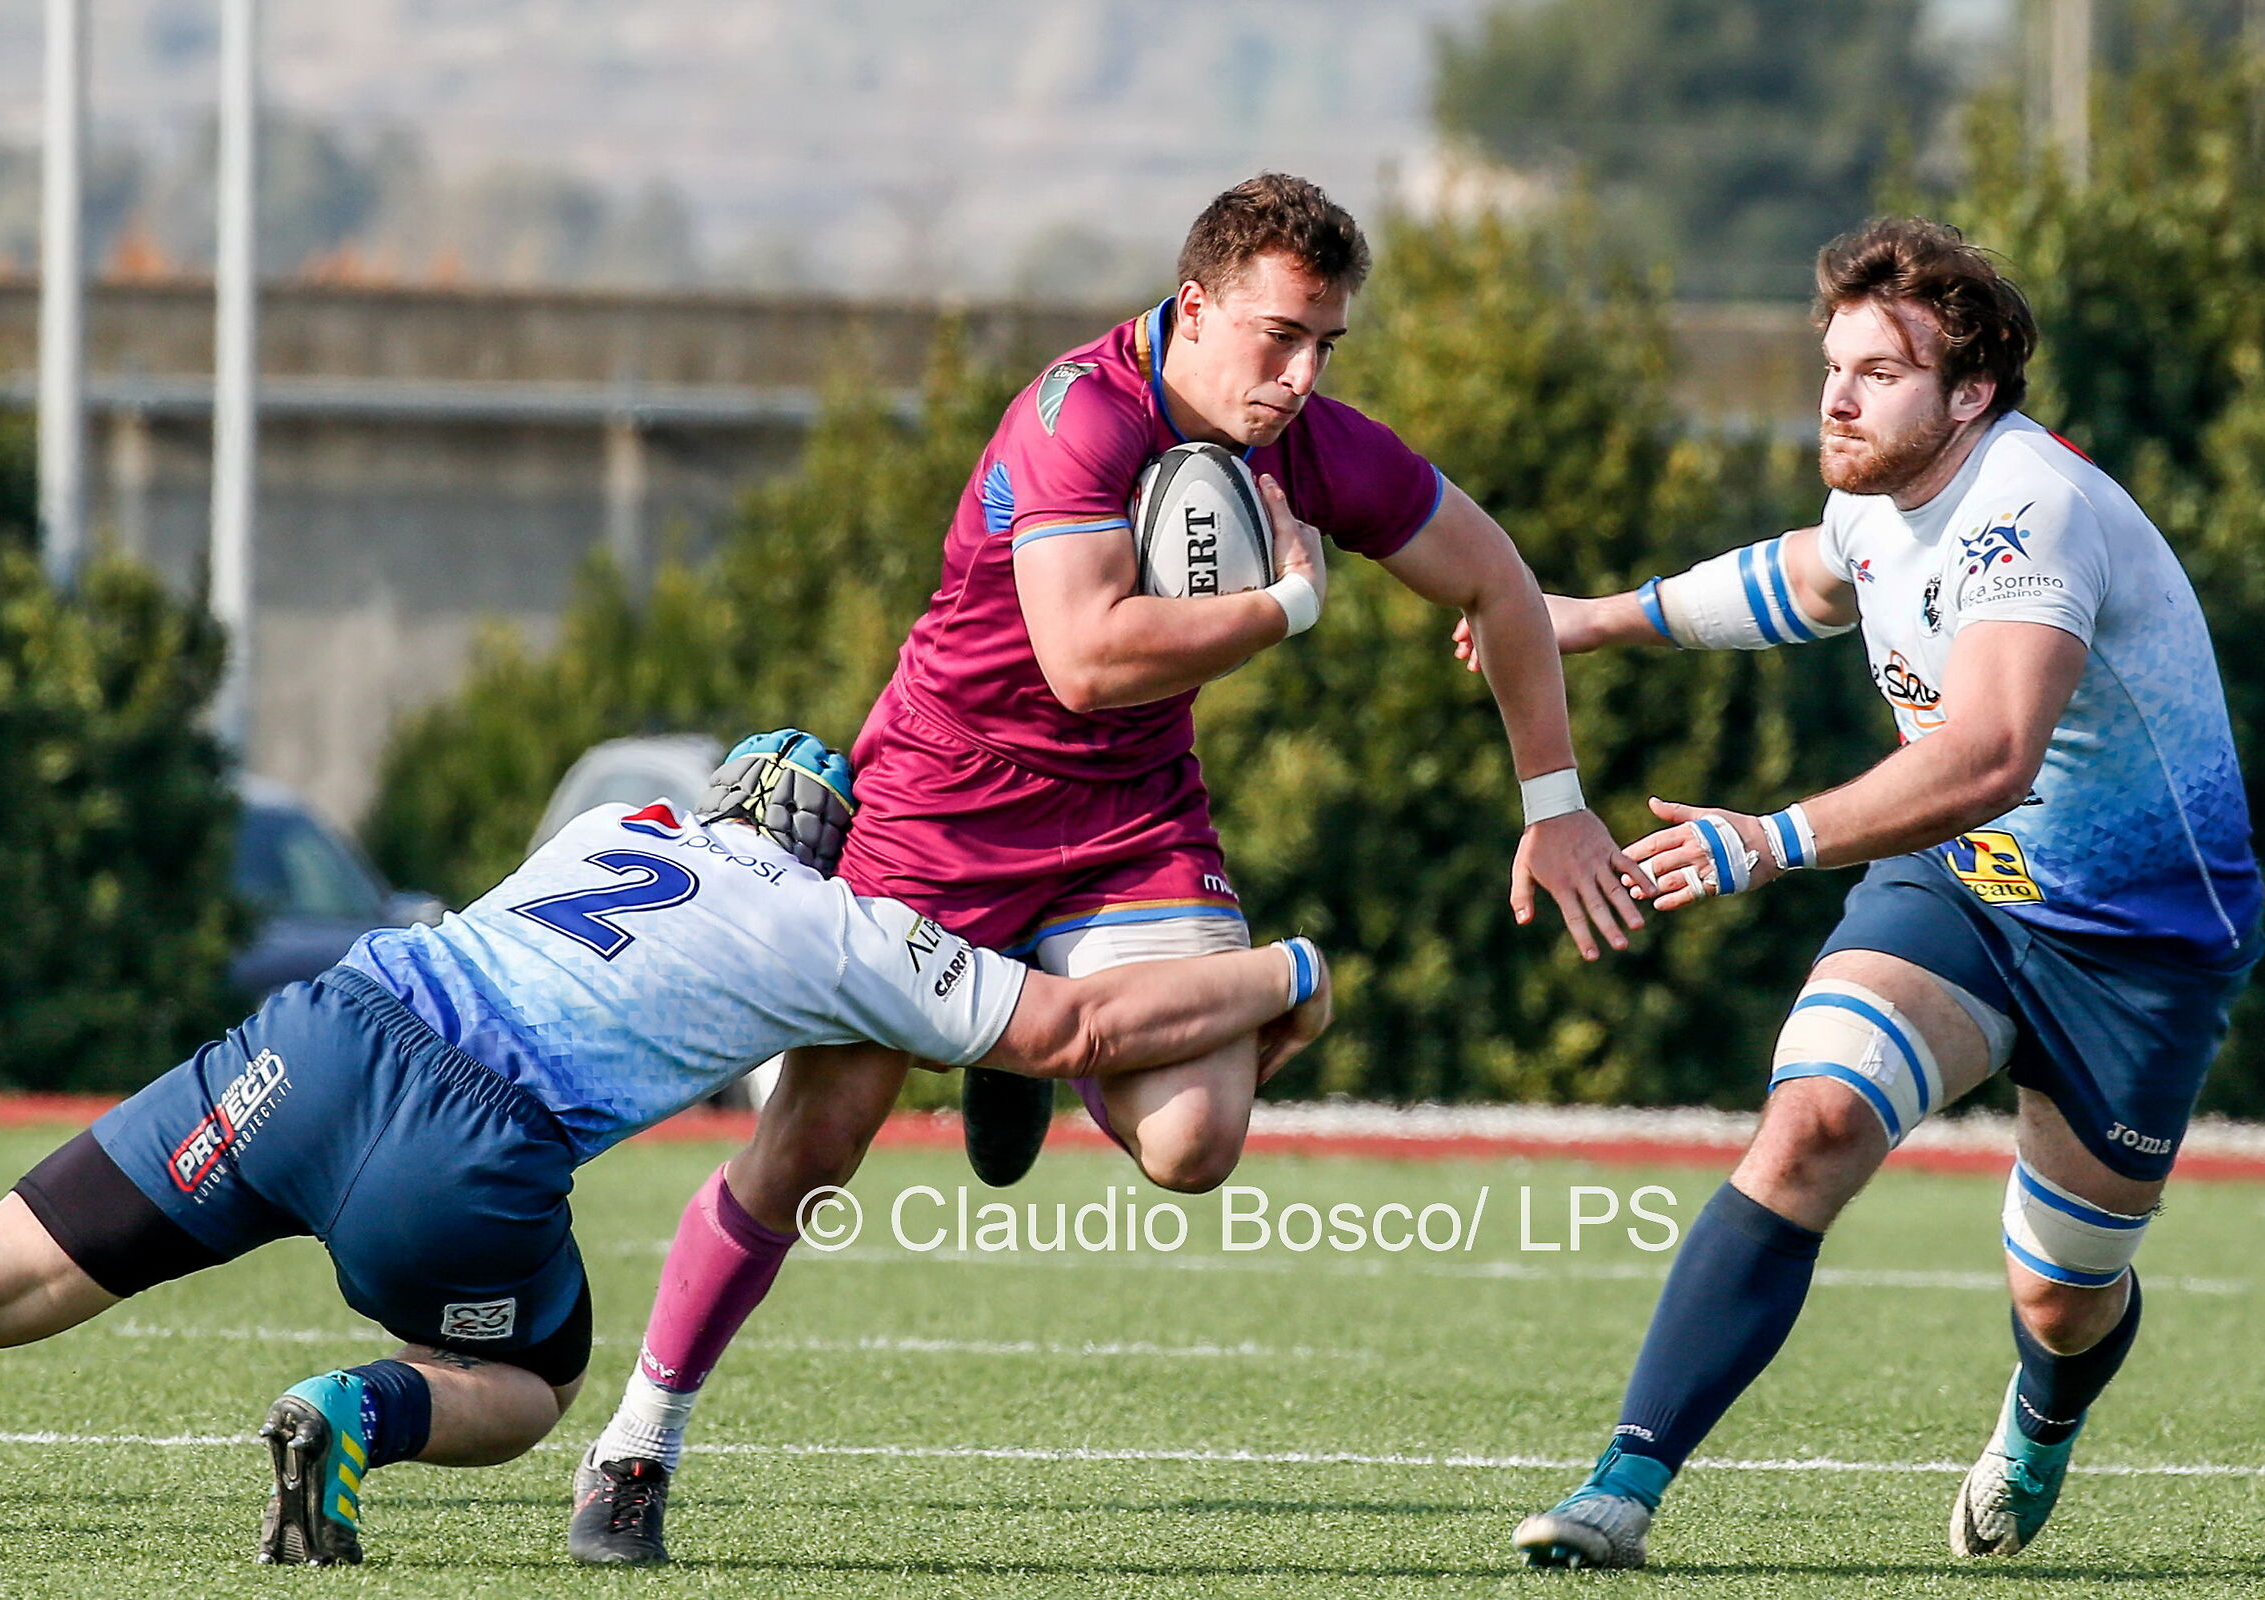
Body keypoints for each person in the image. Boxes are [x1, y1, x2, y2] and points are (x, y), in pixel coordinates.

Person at [568, 173, 1646, 1565]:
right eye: (1278, 337)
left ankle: (1022, 1050)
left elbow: (1496, 578)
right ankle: (638, 1442)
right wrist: (1283, 607)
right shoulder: (1077, 416)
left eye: (1327, 345)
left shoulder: (1303, 439)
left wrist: (1554, 802)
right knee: (821, 1134)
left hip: (1129, 826)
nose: (1302, 376)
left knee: (1195, 1145)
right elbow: (1082, 661)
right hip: (939, 813)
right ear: (1193, 307)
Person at [0, 731, 1331, 1567]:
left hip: (317, 1038)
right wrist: (1287, 976)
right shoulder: (835, 924)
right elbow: (1079, 1028)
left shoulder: (622, 825)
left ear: (722, 800)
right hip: (463, 1145)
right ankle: (354, 1415)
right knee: (529, 1379)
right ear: (834, 848)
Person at [1489, 219, 2262, 1570]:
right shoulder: (1879, 490)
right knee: (1815, 1124)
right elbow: (1814, 575)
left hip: (2134, 948)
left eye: (1880, 372)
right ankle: (1624, 1485)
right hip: (1960, 891)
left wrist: (1767, 841)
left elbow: (1987, 756)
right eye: (1834, 364)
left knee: (2065, 1297)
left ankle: (2041, 1417)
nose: (1838, 396)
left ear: (1972, 394)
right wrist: (1597, 616)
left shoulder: (2033, 506)